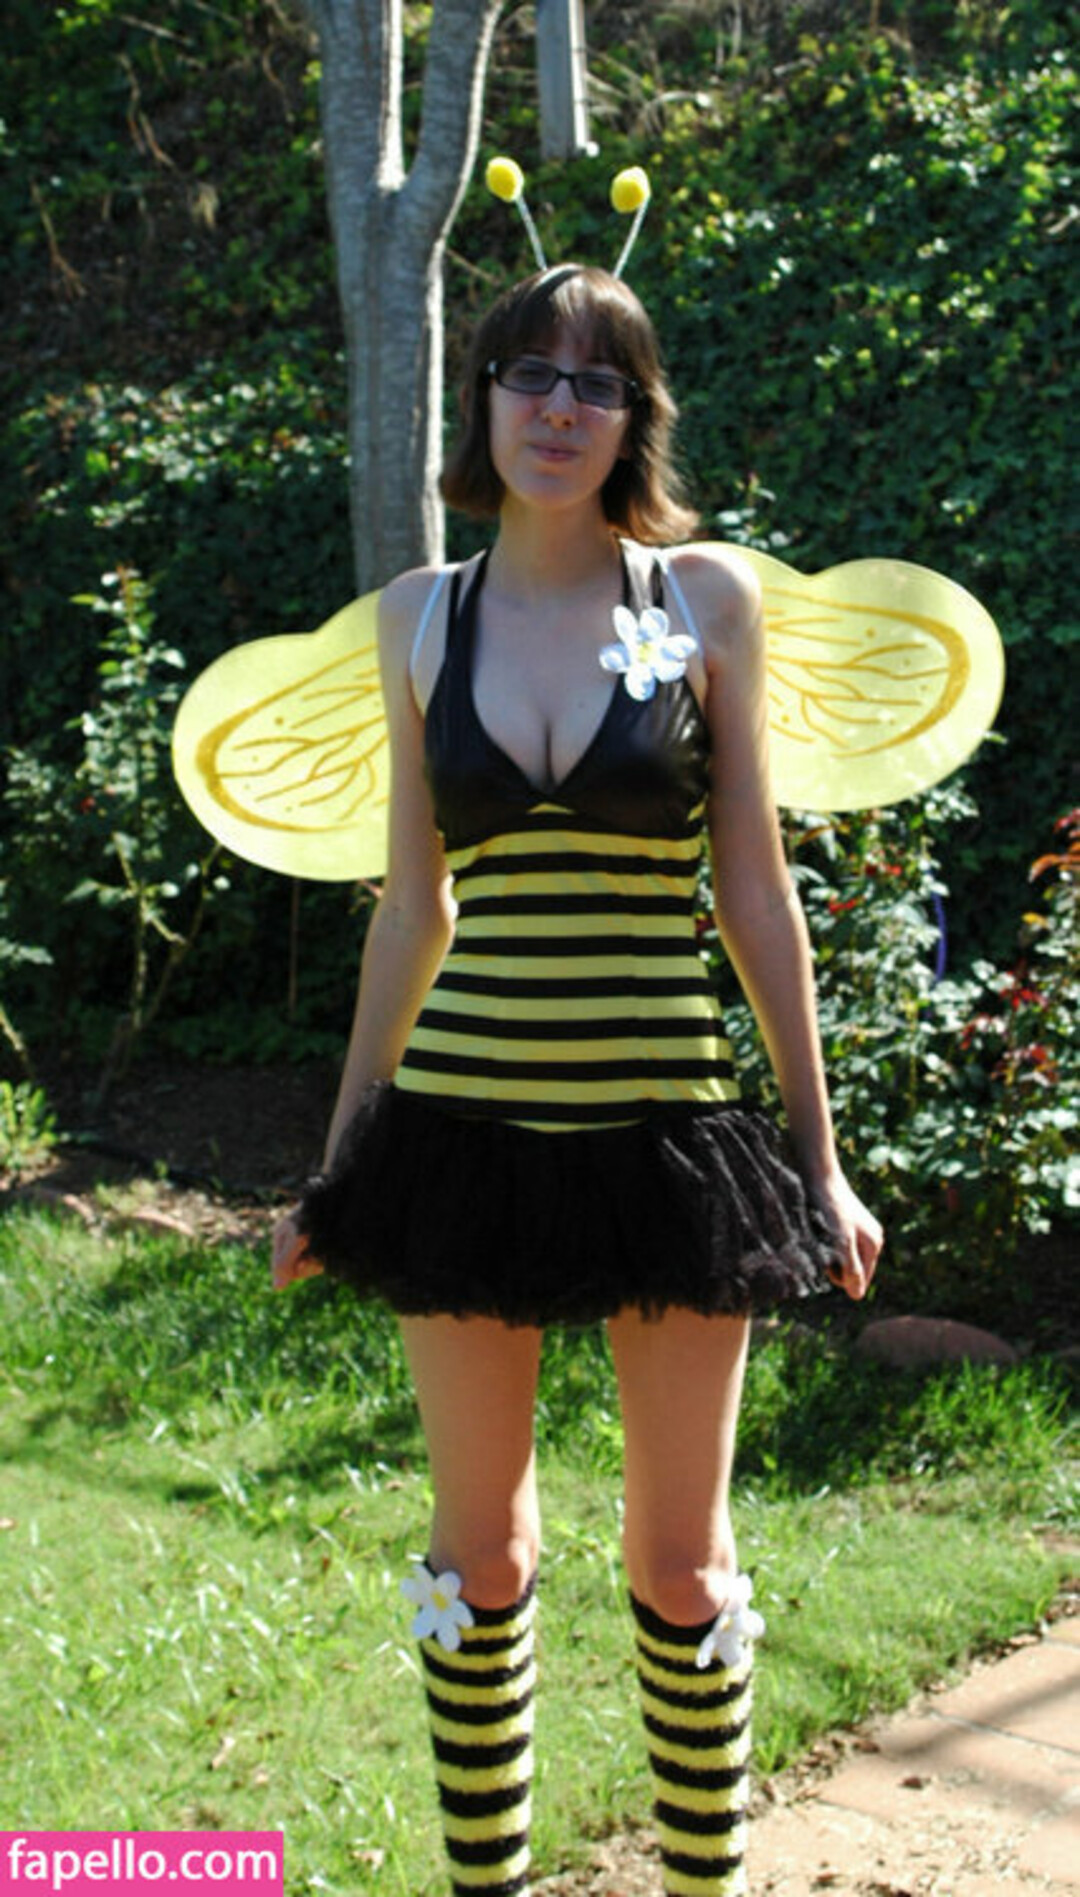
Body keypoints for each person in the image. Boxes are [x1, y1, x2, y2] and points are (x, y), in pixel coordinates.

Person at [272, 262, 882, 1897]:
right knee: (479, 1562)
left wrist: (820, 1158)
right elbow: (413, 908)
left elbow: (755, 893)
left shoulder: (706, 600)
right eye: (528, 373)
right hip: (456, 1145)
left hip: (672, 1146)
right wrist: (339, 1164)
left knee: (682, 1571)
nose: (558, 406)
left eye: (595, 381)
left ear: (633, 418)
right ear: (482, 398)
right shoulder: (419, 616)